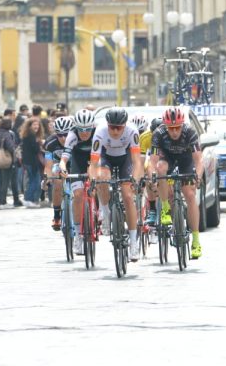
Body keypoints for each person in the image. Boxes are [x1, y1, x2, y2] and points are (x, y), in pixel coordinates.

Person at [148, 107, 204, 259]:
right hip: (168, 159)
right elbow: (152, 161)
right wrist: (152, 176)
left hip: (186, 160)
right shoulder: (158, 134)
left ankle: (196, 242)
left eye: (177, 128)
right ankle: (165, 208)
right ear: (165, 126)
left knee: (190, 194)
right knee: (160, 168)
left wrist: (197, 177)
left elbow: (199, 160)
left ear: (182, 125)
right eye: (171, 128)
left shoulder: (190, 132)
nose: (174, 132)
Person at [90, 107, 143, 260]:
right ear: (107, 125)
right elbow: (93, 164)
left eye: (118, 127)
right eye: (111, 127)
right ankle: (106, 213)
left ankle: (133, 242)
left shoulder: (132, 131)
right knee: (102, 176)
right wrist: (93, 179)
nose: (114, 131)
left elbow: (136, 161)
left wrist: (135, 179)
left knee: (127, 196)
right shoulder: (100, 132)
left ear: (125, 125)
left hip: (125, 159)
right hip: (107, 158)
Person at [59, 109, 96, 256]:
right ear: (76, 127)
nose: (85, 133)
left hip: (94, 159)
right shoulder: (72, 135)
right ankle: (78, 234)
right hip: (77, 162)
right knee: (78, 195)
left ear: (92, 127)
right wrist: (62, 169)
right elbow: (64, 158)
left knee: (98, 182)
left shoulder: (98, 133)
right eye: (81, 129)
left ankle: (98, 212)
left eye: (88, 129)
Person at [44, 116, 74, 229]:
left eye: (66, 134)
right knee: (57, 182)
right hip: (57, 165)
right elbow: (48, 165)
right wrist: (47, 178)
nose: (63, 138)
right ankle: (57, 216)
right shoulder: (50, 143)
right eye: (59, 135)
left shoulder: (76, 140)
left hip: (74, 165)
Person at [19, 117, 45, 208]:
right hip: (32, 162)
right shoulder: (31, 135)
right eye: (34, 124)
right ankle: (29, 199)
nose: (36, 126)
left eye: (37, 124)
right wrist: (39, 144)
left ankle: (29, 199)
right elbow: (35, 149)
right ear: (30, 126)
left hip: (28, 161)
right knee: (35, 181)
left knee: (31, 181)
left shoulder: (27, 134)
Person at [0, 118, 19, 208]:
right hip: (6, 160)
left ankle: (0, 201)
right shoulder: (7, 134)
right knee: (5, 182)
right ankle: (3, 202)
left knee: (0, 181)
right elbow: (11, 147)